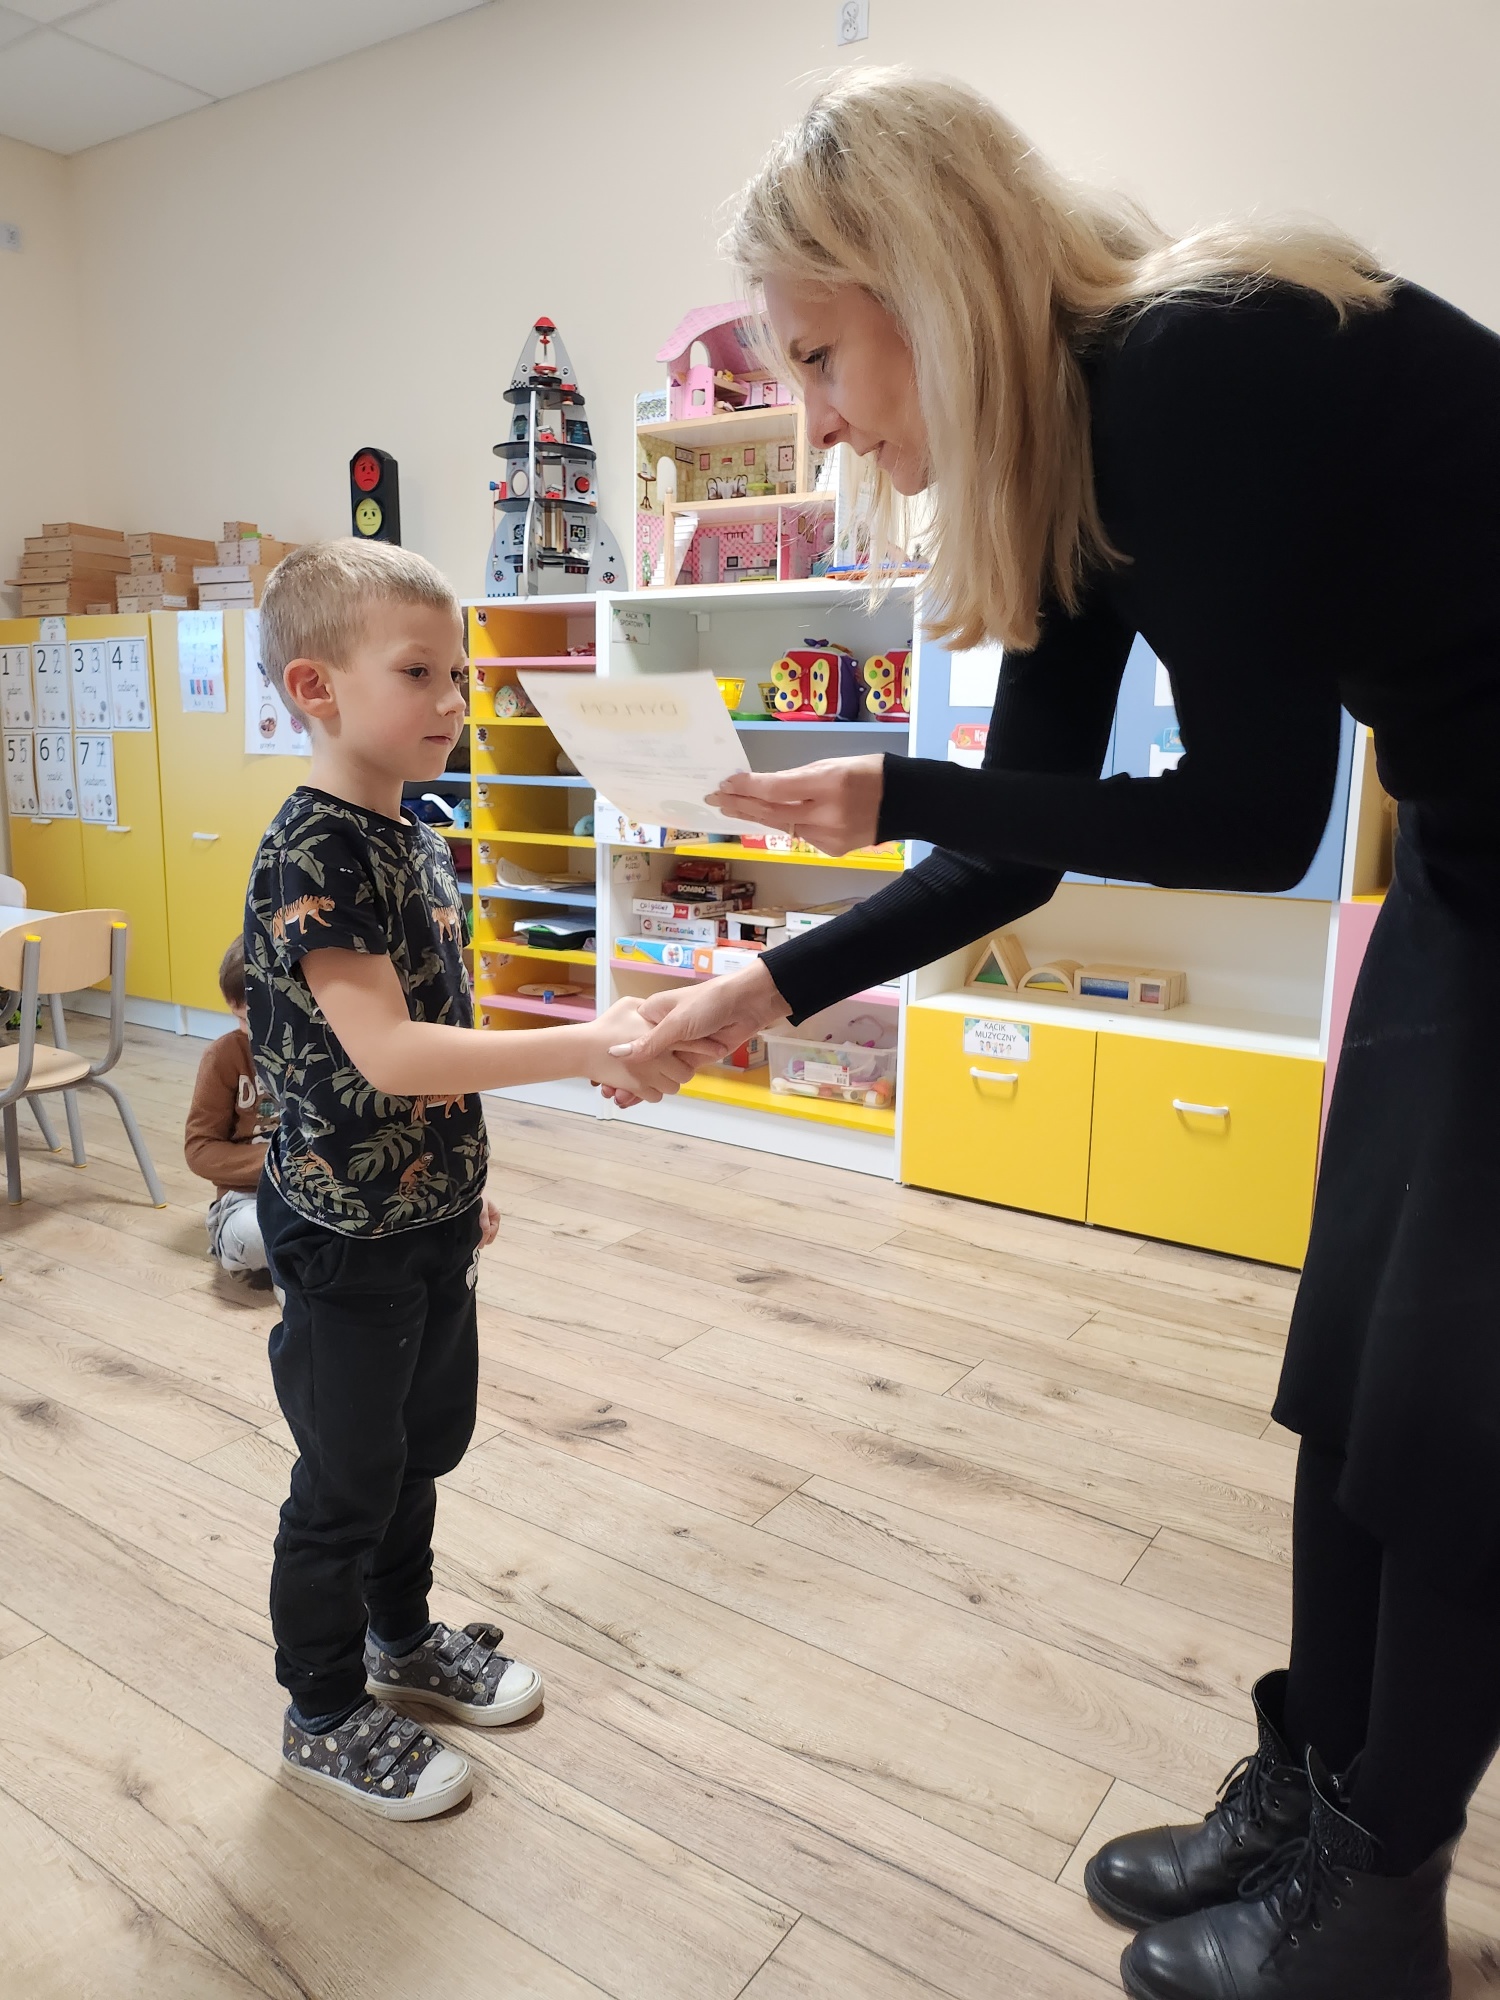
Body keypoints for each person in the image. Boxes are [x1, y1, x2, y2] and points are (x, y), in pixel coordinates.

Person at [611, 68, 1500, 2000]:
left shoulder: (1193, 365)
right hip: (1466, 843)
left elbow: (1253, 821)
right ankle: (1314, 1792)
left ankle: (1376, 1899)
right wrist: (753, 992)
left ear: (928, 281)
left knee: (1454, 1405)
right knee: (1352, 1354)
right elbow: (1015, 848)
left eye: (821, 356)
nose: (817, 418)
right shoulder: (1072, 453)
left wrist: (900, 788)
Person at [246, 540, 711, 1822]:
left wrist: (455, 1180)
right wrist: (593, 1041)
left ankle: (402, 1640)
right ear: (315, 687)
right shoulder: (312, 850)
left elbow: (439, 1033)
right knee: (346, 1478)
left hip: (427, 1212)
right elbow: (390, 1052)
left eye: (458, 673)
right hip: (344, 1229)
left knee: (419, 1445)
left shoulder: (416, 831)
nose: (454, 699)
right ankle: (322, 1709)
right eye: (419, 672)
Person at [183, 935, 274, 1287]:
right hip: (246, 1199)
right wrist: (281, 1163)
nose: (249, 1032)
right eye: (240, 1019)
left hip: (317, 1198)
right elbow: (200, 1149)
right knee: (254, 1235)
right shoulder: (223, 1056)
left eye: (258, 1020)